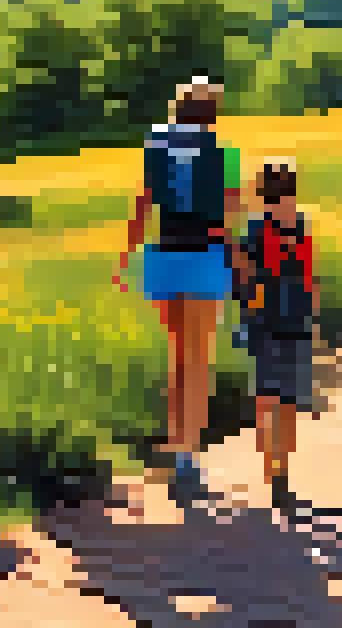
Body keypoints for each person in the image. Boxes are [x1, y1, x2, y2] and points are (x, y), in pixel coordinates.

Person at [116, 76, 242, 506]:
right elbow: (229, 213)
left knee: (178, 356)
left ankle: (176, 449)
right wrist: (239, 256)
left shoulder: (155, 147)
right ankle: (189, 458)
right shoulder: (224, 154)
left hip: (163, 257)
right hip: (205, 255)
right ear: (212, 113)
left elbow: (143, 204)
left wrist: (126, 255)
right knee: (199, 358)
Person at [235, 158, 320, 518]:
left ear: (260, 190)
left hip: (262, 319)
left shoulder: (255, 227)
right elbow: (311, 277)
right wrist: (314, 319)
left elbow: (242, 272)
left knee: (264, 396)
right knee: (288, 402)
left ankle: (268, 464)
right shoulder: (301, 224)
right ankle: (282, 477)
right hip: (297, 319)